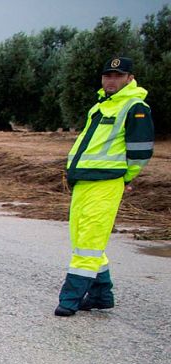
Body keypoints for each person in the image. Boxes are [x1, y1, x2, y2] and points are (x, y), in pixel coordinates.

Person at [56, 57, 155, 316]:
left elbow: (141, 152)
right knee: (82, 240)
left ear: (129, 78)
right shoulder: (102, 105)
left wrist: (126, 177)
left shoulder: (135, 107)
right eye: (107, 76)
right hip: (84, 182)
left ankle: (70, 299)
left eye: (117, 76)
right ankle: (102, 294)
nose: (111, 80)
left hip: (105, 183)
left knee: (89, 241)